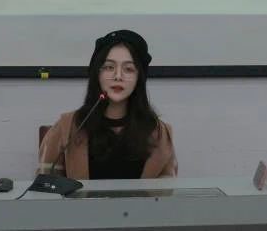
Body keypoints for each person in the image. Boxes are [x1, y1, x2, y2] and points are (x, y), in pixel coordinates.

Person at [38, 29, 177, 179]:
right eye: (109, 67)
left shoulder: (159, 134)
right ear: (97, 74)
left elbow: (166, 191)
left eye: (128, 69)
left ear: (139, 78)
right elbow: (46, 188)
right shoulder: (66, 128)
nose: (118, 76)